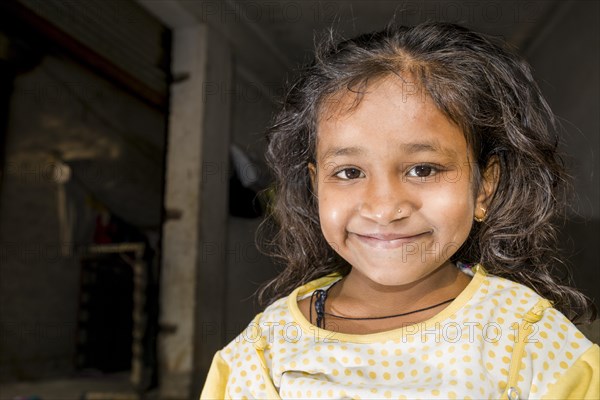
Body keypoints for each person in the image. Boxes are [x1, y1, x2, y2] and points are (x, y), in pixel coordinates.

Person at [200, 22, 599, 399]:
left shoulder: (529, 340)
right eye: (350, 171)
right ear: (315, 185)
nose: (384, 208)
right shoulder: (263, 353)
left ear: (485, 186)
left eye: (423, 169)